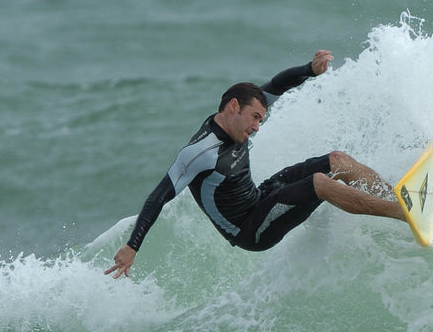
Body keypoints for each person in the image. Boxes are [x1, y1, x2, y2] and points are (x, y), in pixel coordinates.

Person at [105, 50, 403, 278]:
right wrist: (133, 246)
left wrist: (310, 70)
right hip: (250, 230)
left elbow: (276, 84)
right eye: (255, 118)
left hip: (259, 198)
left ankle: (397, 197)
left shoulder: (241, 117)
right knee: (319, 184)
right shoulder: (198, 153)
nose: (258, 126)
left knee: (336, 160)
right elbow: (160, 196)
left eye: (261, 118)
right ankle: (402, 213)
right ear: (234, 107)